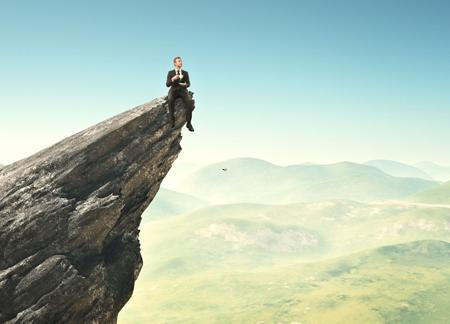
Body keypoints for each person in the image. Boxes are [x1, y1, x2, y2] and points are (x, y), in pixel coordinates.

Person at [166, 56, 194, 131]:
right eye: (179, 61)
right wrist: (173, 79)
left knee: (190, 102)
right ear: (175, 63)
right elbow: (167, 84)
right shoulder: (170, 72)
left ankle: (189, 123)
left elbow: (188, 84)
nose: (181, 62)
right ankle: (172, 121)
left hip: (183, 90)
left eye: (181, 61)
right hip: (173, 89)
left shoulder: (185, 73)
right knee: (170, 100)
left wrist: (185, 85)